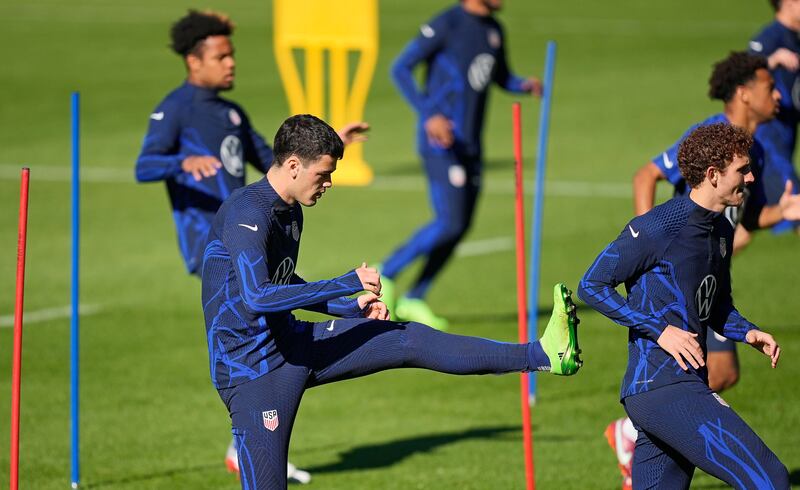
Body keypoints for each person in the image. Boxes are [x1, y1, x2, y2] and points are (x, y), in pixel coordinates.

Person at [201, 114, 582, 490]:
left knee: (405, 338)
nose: (329, 183)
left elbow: (283, 280)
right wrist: (345, 283)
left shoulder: (291, 211)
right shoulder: (247, 211)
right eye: (324, 174)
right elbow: (258, 294)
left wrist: (351, 308)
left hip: (293, 342)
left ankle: (543, 354)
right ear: (294, 166)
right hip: (252, 372)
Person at [134, 10, 368, 483]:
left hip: (252, 237)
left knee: (272, 320)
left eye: (232, 53)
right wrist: (184, 161)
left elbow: (276, 162)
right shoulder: (176, 107)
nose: (231, 63)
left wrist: (329, 146)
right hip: (214, 242)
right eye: (221, 56)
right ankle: (254, 435)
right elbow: (144, 165)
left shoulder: (233, 113)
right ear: (194, 61)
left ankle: (255, 439)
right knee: (261, 319)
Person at [622, 51, 800, 490]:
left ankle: (646, 429)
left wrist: (784, 212)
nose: (778, 94)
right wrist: (650, 256)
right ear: (744, 93)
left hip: (710, 289)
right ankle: (632, 430)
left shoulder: (752, 152)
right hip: (679, 291)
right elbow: (646, 176)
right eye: (768, 86)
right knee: (706, 380)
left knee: (720, 374)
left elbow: (746, 218)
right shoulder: (711, 138)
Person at [580, 122, 789, 489]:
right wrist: (661, 331)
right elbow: (591, 284)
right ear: (713, 175)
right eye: (742, 169)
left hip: (681, 383)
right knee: (769, 479)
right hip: (662, 387)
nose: (752, 178)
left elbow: (717, 304)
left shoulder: (721, 231)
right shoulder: (659, 226)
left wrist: (747, 331)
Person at [378, 0, 542, 330]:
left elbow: (499, 76)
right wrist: (430, 114)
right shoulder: (448, 23)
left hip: (471, 146)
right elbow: (400, 68)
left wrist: (523, 85)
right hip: (442, 144)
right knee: (449, 222)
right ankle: (386, 274)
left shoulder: (494, 29)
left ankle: (414, 297)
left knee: (461, 225)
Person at [749, 0, 800, 233]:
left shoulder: (795, 38)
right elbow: (744, 70)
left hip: (786, 139)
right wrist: (773, 59)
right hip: (769, 142)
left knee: (741, 228)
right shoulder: (771, 37)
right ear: (787, 3)